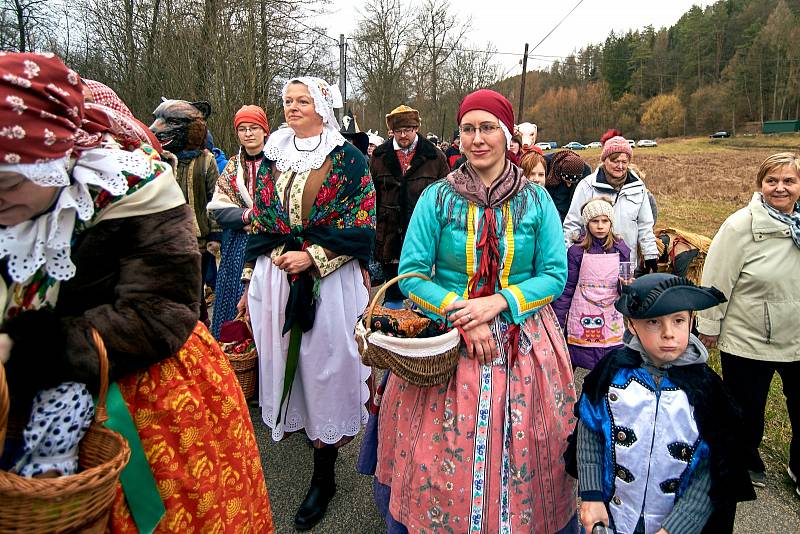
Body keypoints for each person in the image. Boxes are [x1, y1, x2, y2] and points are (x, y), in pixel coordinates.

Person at [0, 52, 272, 532]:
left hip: (137, 382)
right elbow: (224, 202)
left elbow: (161, 307)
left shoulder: (171, 176)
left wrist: (219, 230)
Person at [374, 89, 578, 533]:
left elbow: (553, 274)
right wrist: (462, 313)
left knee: (532, 445)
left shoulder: (536, 201)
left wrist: (498, 302)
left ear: (507, 137)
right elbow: (411, 275)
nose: (477, 139)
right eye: (468, 129)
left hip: (523, 339)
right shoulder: (437, 198)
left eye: (488, 128)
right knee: (439, 452)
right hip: (447, 341)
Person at [238, 76, 376, 530]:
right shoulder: (274, 155)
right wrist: (254, 274)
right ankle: (304, 429)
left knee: (325, 370)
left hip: (327, 281)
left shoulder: (347, 159)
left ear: (322, 106)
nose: (292, 107)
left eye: (302, 101)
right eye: (287, 100)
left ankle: (324, 475)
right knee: (287, 367)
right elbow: (260, 218)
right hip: (277, 276)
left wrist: (313, 256)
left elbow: (362, 224)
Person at [569, 274, 755, 534]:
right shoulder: (612, 374)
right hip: (614, 517)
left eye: (678, 321)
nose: (669, 334)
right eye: (654, 322)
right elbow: (590, 431)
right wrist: (591, 495)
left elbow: (713, 471)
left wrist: (676, 528)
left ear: (691, 321)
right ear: (632, 324)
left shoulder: (707, 391)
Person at [697, 152, 800, 495]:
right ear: (760, 185)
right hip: (749, 336)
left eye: (789, 181)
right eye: (772, 181)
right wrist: (709, 324)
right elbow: (717, 276)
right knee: (747, 409)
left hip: (797, 335)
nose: (780, 188)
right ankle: (745, 458)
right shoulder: (741, 225)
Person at [369, 104, 449, 308]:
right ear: (392, 131)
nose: (403, 135)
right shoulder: (379, 156)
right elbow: (371, 197)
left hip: (425, 233)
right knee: (393, 294)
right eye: (398, 131)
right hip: (389, 235)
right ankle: (392, 332)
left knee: (423, 292)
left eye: (408, 130)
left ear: (416, 129)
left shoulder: (435, 157)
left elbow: (446, 197)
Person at [150, 98, 221, 324]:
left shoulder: (206, 161)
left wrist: (216, 236)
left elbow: (216, 199)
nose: (156, 129)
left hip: (198, 240)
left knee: (195, 292)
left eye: (169, 122)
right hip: (166, 239)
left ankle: (200, 332)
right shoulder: (158, 161)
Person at [207, 105, 270, 339]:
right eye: (242, 129)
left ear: (265, 130)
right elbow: (219, 208)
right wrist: (248, 216)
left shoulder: (277, 164)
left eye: (254, 128)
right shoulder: (233, 167)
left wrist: (260, 218)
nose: (248, 133)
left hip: (268, 245)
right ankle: (235, 357)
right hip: (236, 247)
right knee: (233, 305)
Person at [552, 197, 630, 370]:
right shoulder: (576, 252)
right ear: (587, 224)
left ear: (611, 223)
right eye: (595, 221)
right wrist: (558, 319)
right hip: (582, 313)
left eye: (605, 221)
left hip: (610, 315)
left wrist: (626, 286)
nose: (600, 226)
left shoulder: (622, 250)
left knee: (610, 366)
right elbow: (567, 289)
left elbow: (626, 286)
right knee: (572, 360)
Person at [563, 129, 658, 272]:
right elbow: (573, 223)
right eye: (615, 161)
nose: (620, 166)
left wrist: (650, 254)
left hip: (626, 261)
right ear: (604, 160)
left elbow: (645, 224)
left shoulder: (638, 188)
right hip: (592, 262)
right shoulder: (588, 186)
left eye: (624, 162)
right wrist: (568, 254)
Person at [544, 149, 592, 221]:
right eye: (566, 181)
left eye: (571, 182)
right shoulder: (546, 163)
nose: (569, 185)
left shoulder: (585, 171)